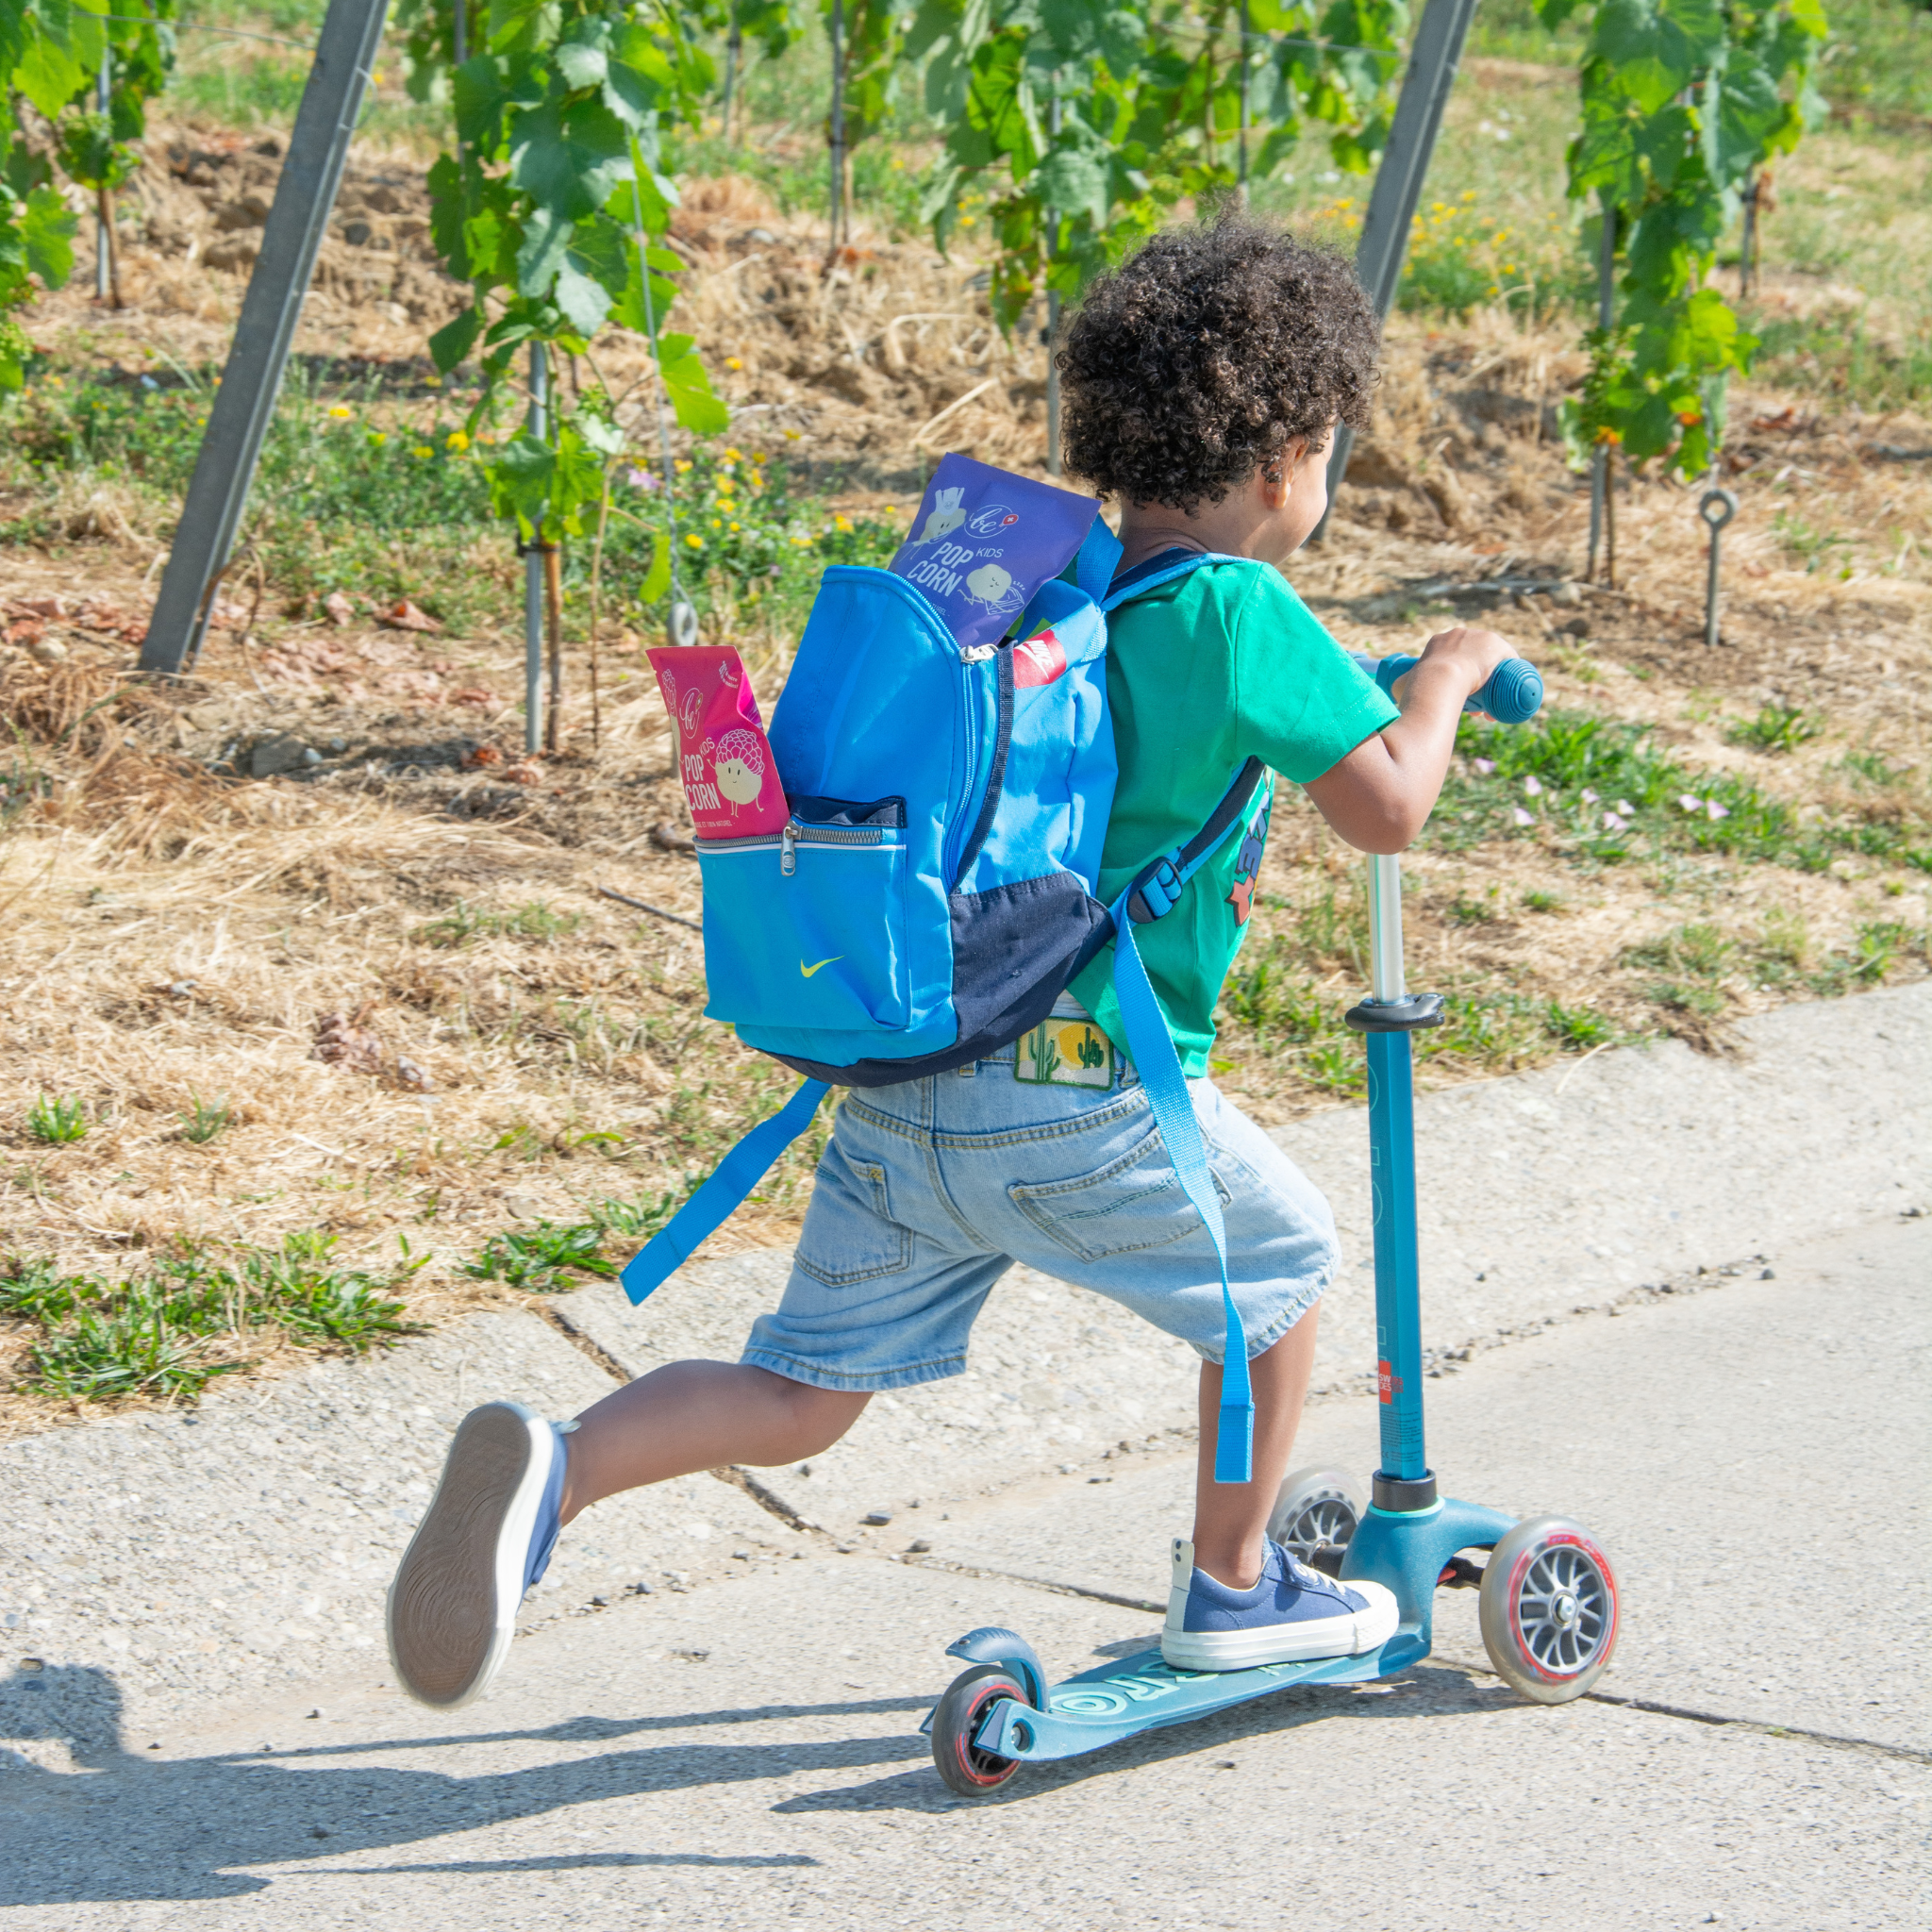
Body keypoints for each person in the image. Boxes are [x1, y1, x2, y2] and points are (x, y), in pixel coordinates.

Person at [386, 213, 1517, 1710]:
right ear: (1284, 460)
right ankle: (1235, 1590)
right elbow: (1389, 807)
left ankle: (559, 1474)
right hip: (1084, 1096)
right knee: (1283, 1278)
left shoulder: (1048, 597)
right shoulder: (1242, 608)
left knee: (803, 1394)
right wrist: (1442, 679)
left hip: (912, 1071)